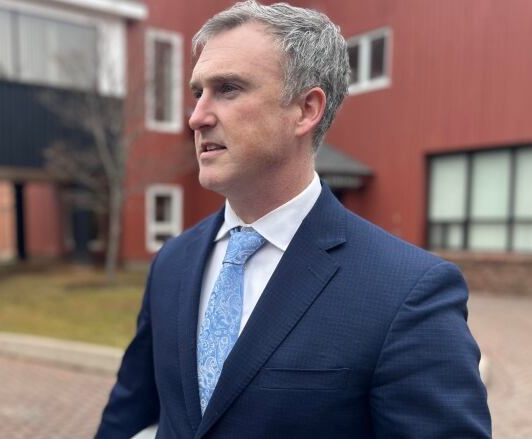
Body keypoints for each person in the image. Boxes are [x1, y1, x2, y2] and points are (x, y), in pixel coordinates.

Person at [96, 1, 491, 437]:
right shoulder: (172, 262)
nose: (197, 116)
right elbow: (129, 413)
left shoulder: (408, 292)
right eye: (197, 92)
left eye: (227, 89)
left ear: (306, 110)